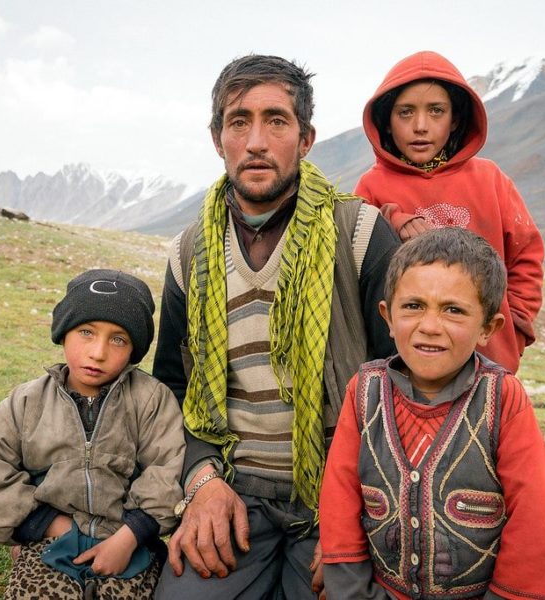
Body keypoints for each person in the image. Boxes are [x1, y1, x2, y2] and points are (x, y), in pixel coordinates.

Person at [151, 54, 400, 600]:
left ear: (306, 138)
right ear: (218, 139)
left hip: (337, 492)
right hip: (234, 493)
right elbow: (171, 389)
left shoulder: (359, 235)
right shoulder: (188, 254)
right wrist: (202, 481)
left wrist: (357, 515)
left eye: (276, 120)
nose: (256, 140)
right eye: (239, 121)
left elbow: (399, 387)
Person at [319, 227, 545, 600]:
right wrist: (350, 590)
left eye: (453, 310)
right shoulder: (364, 391)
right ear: (387, 316)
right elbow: (340, 498)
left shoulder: (502, 400)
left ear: (489, 327)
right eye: (413, 306)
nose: (430, 327)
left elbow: (538, 523)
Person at [0, 269, 186, 599]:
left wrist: (129, 536)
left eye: (118, 339)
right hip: (50, 538)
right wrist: (47, 526)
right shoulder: (26, 402)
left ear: (134, 350)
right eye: (86, 332)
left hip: (129, 543)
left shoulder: (151, 400)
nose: (98, 352)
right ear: (63, 332)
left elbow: (166, 471)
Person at [354, 50, 544, 373]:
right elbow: (356, 274)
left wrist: (516, 328)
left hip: (488, 363)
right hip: (403, 370)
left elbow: (526, 254)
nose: (420, 126)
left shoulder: (489, 179)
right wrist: (389, 221)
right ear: (386, 119)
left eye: (436, 111)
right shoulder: (371, 188)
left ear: (455, 118)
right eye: (405, 113)